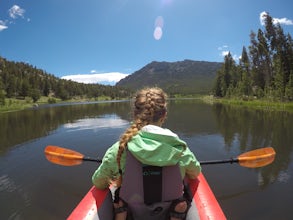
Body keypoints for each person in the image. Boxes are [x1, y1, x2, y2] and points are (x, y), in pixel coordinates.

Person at [92, 87, 201, 220]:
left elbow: (98, 182)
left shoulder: (119, 149)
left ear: (134, 114)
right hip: (168, 213)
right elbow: (195, 173)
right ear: (164, 114)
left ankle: (121, 212)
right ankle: (176, 212)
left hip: (132, 215)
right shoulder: (180, 149)